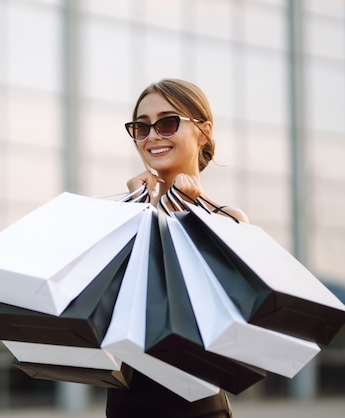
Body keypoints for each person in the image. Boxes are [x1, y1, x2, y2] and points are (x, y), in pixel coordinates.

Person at [105, 79, 247, 417]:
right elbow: (113, 305)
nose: (153, 134)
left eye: (167, 122)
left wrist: (180, 206)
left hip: (198, 405)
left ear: (203, 131)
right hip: (126, 402)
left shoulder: (227, 219)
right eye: (142, 126)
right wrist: (137, 207)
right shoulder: (123, 212)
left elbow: (211, 313)